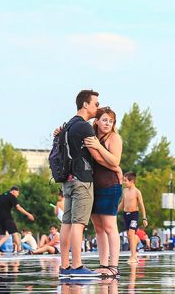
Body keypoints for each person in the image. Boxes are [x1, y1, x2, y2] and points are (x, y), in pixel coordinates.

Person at [56, 89, 100, 279]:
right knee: (78, 223)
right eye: (95, 104)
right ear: (85, 104)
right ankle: (77, 265)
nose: (97, 107)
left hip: (67, 180)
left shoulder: (67, 125)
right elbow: (96, 155)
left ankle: (65, 265)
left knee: (66, 222)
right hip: (82, 179)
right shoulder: (84, 127)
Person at [87, 107, 123, 278]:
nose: (108, 123)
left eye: (111, 121)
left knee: (110, 227)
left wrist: (99, 148)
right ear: (96, 121)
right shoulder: (92, 136)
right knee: (99, 228)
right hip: (93, 187)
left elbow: (114, 160)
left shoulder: (114, 138)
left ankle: (113, 265)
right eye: (104, 120)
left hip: (110, 185)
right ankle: (103, 264)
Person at [0, 186, 34, 255]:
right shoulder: (12, 196)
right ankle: (19, 249)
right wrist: (28, 214)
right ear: (13, 191)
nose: (17, 195)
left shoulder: (2, 195)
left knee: (0, 234)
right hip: (7, 218)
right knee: (14, 232)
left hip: (0, 218)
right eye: (17, 193)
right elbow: (18, 207)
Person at [120, 172, 147, 262]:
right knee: (129, 236)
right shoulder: (124, 191)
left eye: (125, 181)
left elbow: (142, 205)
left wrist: (144, 218)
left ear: (132, 181)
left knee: (131, 234)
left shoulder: (137, 192)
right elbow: (122, 203)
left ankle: (133, 256)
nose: (124, 182)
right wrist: (113, 212)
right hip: (125, 214)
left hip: (134, 214)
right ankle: (137, 240)